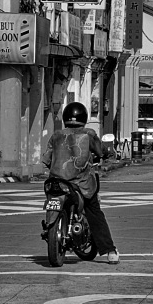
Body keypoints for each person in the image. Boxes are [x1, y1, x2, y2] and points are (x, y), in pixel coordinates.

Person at [42, 102, 119, 264]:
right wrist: (107, 152)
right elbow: (100, 151)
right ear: (84, 118)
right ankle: (110, 251)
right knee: (94, 211)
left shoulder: (56, 135)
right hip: (81, 184)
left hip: (56, 183)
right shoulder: (88, 134)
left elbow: (46, 159)